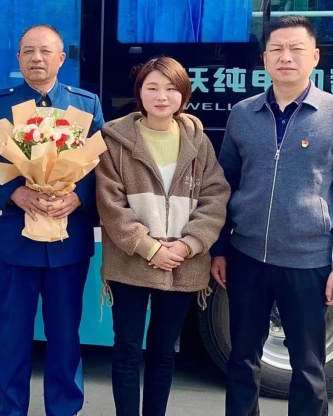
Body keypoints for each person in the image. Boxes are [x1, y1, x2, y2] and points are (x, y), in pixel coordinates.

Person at [210, 16, 333, 416]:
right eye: (277, 49)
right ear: (264, 59)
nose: (286, 57)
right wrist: (219, 249)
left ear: (314, 57)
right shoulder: (243, 114)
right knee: (242, 360)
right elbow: (223, 185)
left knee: (309, 368)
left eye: (296, 49)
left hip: (308, 263)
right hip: (247, 258)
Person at [0, 24, 104, 416]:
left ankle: (64, 409)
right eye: (28, 51)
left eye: (45, 51)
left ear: (61, 58)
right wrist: (15, 193)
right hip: (16, 240)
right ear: (18, 58)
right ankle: (11, 410)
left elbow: (102, 164)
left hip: (68, 242)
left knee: (65, 336)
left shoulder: (85, 105)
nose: (36, 58)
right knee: (12, 336)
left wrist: (78, 197)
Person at [96, 57, 230, 416]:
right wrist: (149, 247)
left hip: (183, 264)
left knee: (163, 352)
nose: (161, 96)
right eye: (152, 87)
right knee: (126, 351)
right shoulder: (114, 140)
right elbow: (110, 204)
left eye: (171, 89)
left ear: (183, 94)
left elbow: (216, 196)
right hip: (130, 263)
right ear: (139, 92)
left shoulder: (198, 141)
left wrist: (188, 245)